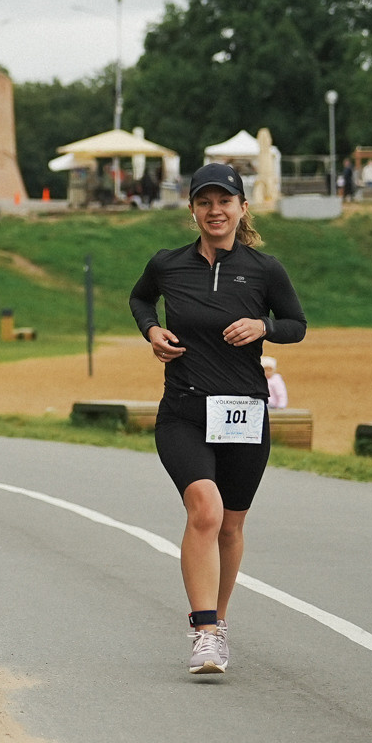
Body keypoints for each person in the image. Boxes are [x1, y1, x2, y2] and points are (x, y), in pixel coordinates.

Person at [131, 162, 307, 676]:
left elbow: (297, 325)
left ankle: (219, 623)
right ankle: (204, 631)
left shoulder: (264, 270)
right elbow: (141, 298)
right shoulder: (167, 265)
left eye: (225, 201)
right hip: (183, 409)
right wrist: (152, 332)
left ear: (241, 208)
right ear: (192, 209)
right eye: (205, 202)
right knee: (204, 510)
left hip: (244, 412)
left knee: (230, 526)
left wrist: (264, 326)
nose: (215, 210)